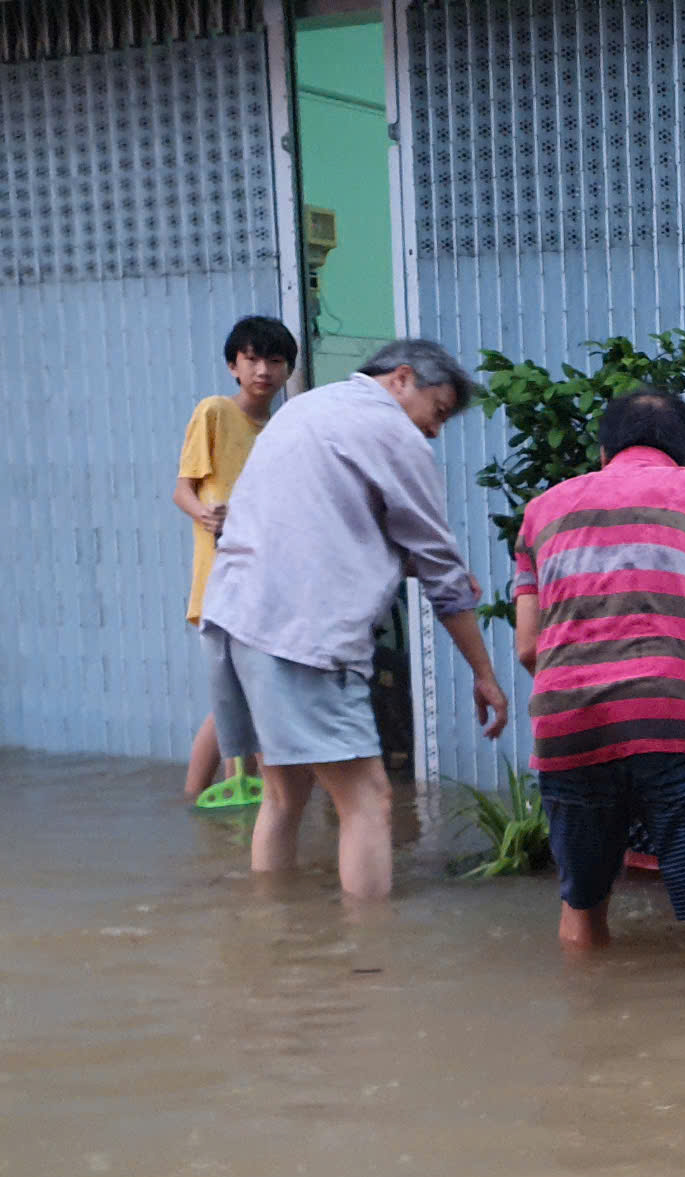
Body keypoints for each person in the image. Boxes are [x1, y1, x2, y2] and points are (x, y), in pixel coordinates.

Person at [200, 339, 507, 901]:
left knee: (282, 797)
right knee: (368, 799)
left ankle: (277, 935)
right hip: (304, 633)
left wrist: (411, 565)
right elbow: (445, 573)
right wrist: (485, 674)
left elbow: (325, 524)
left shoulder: (306, 410)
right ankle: (368, 963)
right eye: (438, 412)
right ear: (401, 379)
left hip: (236, 616)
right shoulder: (392, 433)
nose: (435, 433)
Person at [512, 388, 685, 976]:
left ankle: (589, 1027)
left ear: (604, 447)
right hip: (675, 721)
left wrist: (581, 685)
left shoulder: (542, 510)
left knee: (582, 900)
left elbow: (530, 646)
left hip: (567, 727)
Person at [174, 316, 296, 803]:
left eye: (274, 360)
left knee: (237, 696)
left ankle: (203, 798)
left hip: (267, 583)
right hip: (221, 583)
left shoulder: (287, 427)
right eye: (252, 360)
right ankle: (230, 794)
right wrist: (205, 514)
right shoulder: (215, 413)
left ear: (287, 369)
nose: (263, 370)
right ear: (233, 366)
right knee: (240, 695)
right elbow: (182, 490)